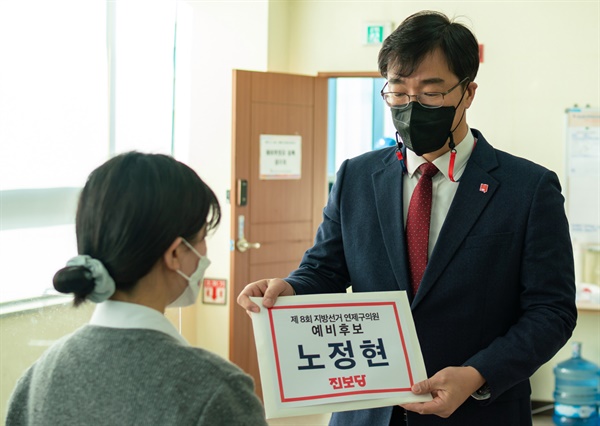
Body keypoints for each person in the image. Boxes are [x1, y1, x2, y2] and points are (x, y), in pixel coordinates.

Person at [237, 10, 577, 426]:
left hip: (478, 412)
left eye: (431, 93)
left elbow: (551, 311)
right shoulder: (357, 177)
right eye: (398, 92)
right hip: (365, 412)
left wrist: (477, 375)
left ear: (468, 93)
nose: (411, 106)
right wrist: (289, 289)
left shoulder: (528, 188)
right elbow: (324, 270)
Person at [7, 152, 268, 426]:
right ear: (175, 254)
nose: (204, 253)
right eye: (202, 238)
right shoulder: (215, 391)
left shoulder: (37, 378)